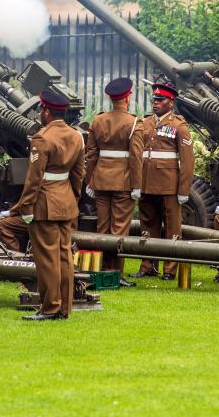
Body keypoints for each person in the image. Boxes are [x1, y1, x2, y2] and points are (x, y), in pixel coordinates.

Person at [8, 89, 85, 321]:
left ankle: (50, 307)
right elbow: (79, 175)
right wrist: (73, 199)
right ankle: (64, 308)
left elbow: (34, 178)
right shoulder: (76, 136)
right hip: (65, 201)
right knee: (64, 256)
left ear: (46, 111)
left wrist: (26, 207)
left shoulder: (42, 138)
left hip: (45, 204)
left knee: (47, 259)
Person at [131, 82, 194, 280]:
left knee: (172, 228)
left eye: (161, 100)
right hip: (147, 183)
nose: (156, 103)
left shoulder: (178, 126)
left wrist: (184, 189)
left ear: (171, 102)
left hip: (169, 186)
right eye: (154, 100)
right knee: (147, 226)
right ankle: (147, 265)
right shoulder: (145, 122)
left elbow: (187, 160)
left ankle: (169, 269)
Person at [84, 77, 143, 286]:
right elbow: (135, 158)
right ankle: (115, 276)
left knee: (103, 228)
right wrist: (137, 185)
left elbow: (91, 154)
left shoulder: (98, 120)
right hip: (123, 183)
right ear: (128, 97)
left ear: (111, 98)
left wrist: (89, 181)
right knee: (119, 230)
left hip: (100, 180)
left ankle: (101, 272)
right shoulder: (134, 122)